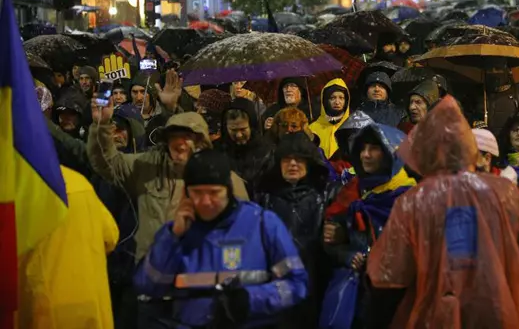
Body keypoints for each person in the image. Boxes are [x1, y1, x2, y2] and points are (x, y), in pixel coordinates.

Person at [365, 96, 519, 328]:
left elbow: (390, 271)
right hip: (493, 305)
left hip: (436, 310)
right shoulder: (501, 190)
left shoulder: (414, 200)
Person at [135, 149, 309, 328]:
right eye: (197, 192)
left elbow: (296, 285)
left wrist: (250, 300)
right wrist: (172, 237)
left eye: (213, 192)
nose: (205, 201)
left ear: (228, 190)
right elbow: (148, 286)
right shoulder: (175, 234)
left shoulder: (262, 224)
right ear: (185, 194)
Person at [87, 105, 250, 265]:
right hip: (150, 272)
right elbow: (107, 162)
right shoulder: (146, 167)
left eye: (187, 136)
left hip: (198, 274)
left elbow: (243, 230)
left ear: (201, 141)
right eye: (173, 136)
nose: (179, 143)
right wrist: (101, 125)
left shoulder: (224, 179)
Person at [322, 121, 416, 326]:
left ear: (392, 153)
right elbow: (329, 243)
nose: (365, 155)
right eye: (362, 148)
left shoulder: (411, 198)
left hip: (398, 300)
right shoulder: (351, 193)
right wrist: (346, 252)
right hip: (360, 300)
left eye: (374, 148)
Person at [17, 166, 119, 328]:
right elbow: (111, 237)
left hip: (42, 313)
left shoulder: (14, 188)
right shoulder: (80, 183)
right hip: (90, 307)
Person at [259, 132, 339, 328]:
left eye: (299, 159)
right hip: (275, 279)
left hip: (317, 276)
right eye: (287, 159)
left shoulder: (327, 193)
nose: (292, 164)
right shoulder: (264, 196)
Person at [221, 97, 271, 199]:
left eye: (243, 129)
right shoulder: (217, 151)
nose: (239, 135)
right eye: (233, 130)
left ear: (251, 126)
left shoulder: (267, 151)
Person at [309, 78, 351, 164]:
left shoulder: (352, 128)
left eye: (341, 98)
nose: (337, 102)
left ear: (346, 101)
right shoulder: (311, 129)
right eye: (333, 98)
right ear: (325, 101)